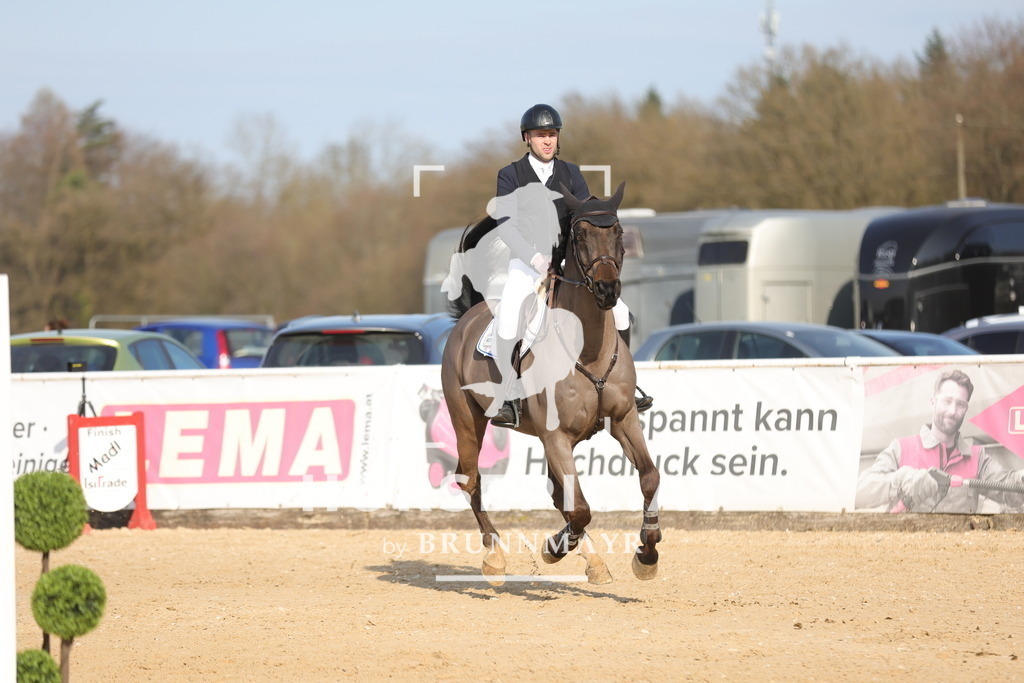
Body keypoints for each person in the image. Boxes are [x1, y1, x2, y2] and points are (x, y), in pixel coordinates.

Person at [489, 103, 652, 428]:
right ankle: (509, 397)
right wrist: (533, 256)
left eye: (551, 134)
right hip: (527, 263)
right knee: (508, 320)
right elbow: (505, 224)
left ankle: (626, 385)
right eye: (540, 135)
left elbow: (584, 218)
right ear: (527, 138)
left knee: (619, 312)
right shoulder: (510, 175)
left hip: (566, 261)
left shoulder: (571, 173)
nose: (547, 140)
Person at [856, 368, 1024, 513]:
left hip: (958, 549)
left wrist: (1022, 479)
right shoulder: (901, 448)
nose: (952, 411)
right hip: (905, 547)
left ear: (966, 409)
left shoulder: (977, 458)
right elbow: (860, 493)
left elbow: (1010, 491)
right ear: (932, 402)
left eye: (960, 404)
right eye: (947, 401)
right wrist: (904, 480)